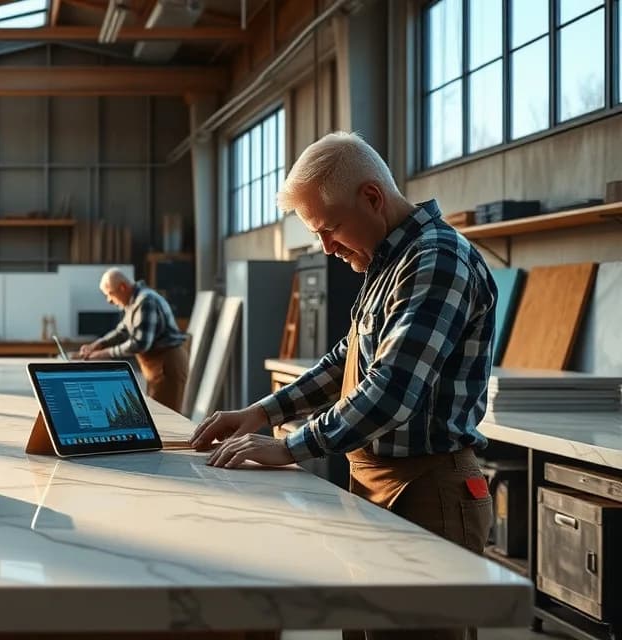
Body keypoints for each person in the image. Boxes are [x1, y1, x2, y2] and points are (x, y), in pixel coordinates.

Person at [190, 131, 497, 638]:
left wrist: (290, 447)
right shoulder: (391, 263)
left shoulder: (437, 259)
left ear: (371, 198)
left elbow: (391, 391)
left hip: (429, 495)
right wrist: (263, 412)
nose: (326, 248)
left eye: (330, 229)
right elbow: (346, 360)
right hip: (379, 484)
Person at [78, 268, 189, 412]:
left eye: (110, 294)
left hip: (167, 365)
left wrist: (104, 354)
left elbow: (140, 343)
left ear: (123, 287)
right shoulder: (133, 302)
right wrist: (97, 345)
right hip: (157, 368)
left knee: (166, 417)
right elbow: (122, 331)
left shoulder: (146, 301)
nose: (109, 300)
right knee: (155, 414)